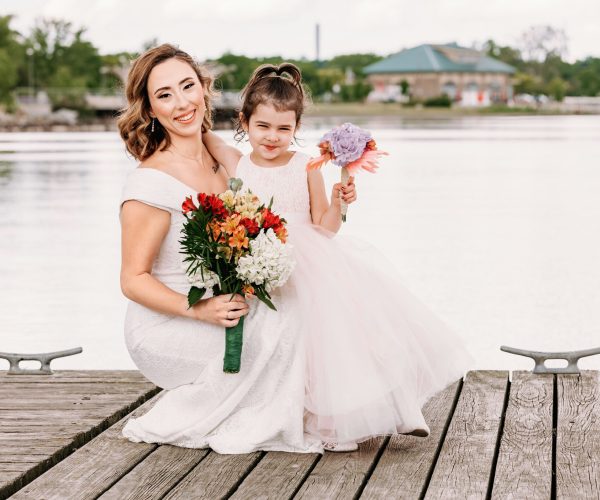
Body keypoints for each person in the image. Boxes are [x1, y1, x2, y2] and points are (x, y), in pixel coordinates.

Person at [204, 63, 473, 451]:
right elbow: (198, 134)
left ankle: (401, 408)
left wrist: (338, 203)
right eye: (262, 126)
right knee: (295, 344)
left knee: (354, 331)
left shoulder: (306, 166)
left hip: (310, 262)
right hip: (262, 267)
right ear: (244, 122)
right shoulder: (237, 163)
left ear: (297, 127)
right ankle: (310, 413)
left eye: (284, 129)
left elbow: (325, 229)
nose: (272, 137)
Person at [117, 44, 322, 453]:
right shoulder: (150, 183)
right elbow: (132, 280)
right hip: (168, 325)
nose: (182, 103)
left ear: (204, 88)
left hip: (226, 308)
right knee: (280, 332)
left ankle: (328, 410)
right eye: (165, 95)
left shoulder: (223, 161)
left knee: (306, 311)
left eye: (188, 86)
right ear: (150, 109)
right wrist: (201, 309)